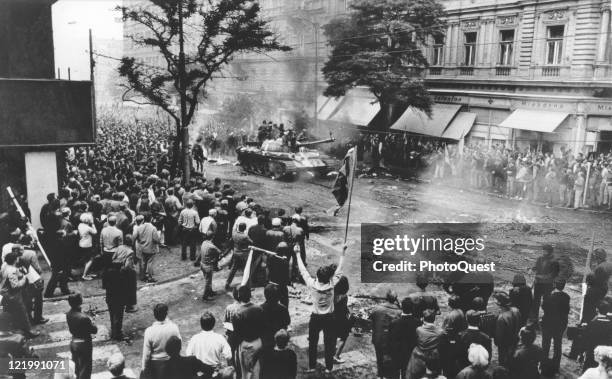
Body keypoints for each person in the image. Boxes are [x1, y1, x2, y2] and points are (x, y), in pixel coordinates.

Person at [296, 245, 346, 374]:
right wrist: (343, 252)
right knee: (329, 343)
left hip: (315, 317)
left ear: (318, 276)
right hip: (329, 318)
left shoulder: (312, 284)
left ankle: (312, 366)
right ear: (329, 278)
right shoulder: (332, 284)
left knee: (313, 343)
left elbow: (303, 270)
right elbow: (340, 269)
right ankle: (329, 367)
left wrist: (297, 254)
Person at [0, 251, 38, 338]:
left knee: (11, 312)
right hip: (12, 295)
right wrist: (24, 279)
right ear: (15, 260)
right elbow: (15, 286)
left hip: (4, 293)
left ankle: (15, 330)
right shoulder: (12, 270)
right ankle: (28, 332)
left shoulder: (4, 266)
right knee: (22, 312)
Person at [231, 285, 265, 379]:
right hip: (258, 342)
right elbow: (263, 327)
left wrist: (234, 348)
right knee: (257, 370)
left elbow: (237, 335)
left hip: (246, 344)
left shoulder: (237, 313)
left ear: (239, 297)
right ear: (250, 295)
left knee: (245, 373)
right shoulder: (259, 309)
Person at [141, 303, 181, 379]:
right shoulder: (174, 327)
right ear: (166, 314)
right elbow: (179, 346)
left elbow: (146, 355)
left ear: (154, 315)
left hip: (155, 365)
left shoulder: (149, 331)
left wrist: (144, 369)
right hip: (171, 362)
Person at [370, 290, 402, 379]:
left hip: (378, 338)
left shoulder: (377, 308)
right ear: (395, 299)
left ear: (386, 297)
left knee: (379, 357)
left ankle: (380, 375)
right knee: (391, 359)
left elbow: (371, 319)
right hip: (391, 340)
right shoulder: (399, 312)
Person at [66, 293, 98, 379]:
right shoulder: (84, 318)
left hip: (74, 342)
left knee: (76, 367)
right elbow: (94, 330)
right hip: (84, 344)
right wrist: (92, 319)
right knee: (85, 368)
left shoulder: (69, 314)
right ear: (80, 301)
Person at [389, 297, 422, 379]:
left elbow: (390, 340)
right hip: (410, 353)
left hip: (396, 352)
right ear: (412, 308)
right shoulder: (418, 323)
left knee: (395, 373)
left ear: (402, 307)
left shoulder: (394, 323)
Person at [541, 280, 570, 372]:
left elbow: (544, 307)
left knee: (545, 345)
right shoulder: (566, 297)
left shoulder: (548, 296)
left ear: (554, 285)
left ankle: (543, 364)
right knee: (558, 345)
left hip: (548, 323)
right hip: (560, 324)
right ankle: (556, 366)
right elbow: (567, 311)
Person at [406, 309, 444, 379]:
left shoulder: (419, 329)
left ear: (423, 319)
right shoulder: (440, 332)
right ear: (434, 319)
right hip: (433, 360)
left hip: (418, 358)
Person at [530, 244, 559, 323]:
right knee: (536, 301)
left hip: (548, 285)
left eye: (545, 250)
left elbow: (553, 274)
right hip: (538, 283)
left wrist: (542, 277)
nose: (543, 252)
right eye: (543, 250)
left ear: (549, 252)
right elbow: (536, 267)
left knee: (546, 302)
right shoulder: (540, 259)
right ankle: (534, 318)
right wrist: (533, 269)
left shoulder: (554, 261)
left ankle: (546, 318)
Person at [582, 297, 612, 370]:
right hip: (605, 355)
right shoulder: (610, 324)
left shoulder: (592, 324)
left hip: (592, 353)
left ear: (597, 310)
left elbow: (586, 339)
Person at [102, 260, 128, 341]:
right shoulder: (123, 273)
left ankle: (113, 331)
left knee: (112, 315)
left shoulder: (106, 273)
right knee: (119, 316)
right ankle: (118, 333)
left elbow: (104, 286)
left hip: (110, 297)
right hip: (120, 298)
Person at [494, 292, 520, 367]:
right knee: (512, 359)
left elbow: (499, 336)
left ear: (499, 304)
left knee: (503, 362)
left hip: (504, 345)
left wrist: (497, 343)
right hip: (515, 340)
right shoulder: (516, 310)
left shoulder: (501, 318)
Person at [260, 283, 290, 350]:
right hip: (280, 340)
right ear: (278, 297)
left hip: (266, 339)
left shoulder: (260, 309)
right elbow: (287, 322)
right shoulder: (283, 308)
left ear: (265, 295)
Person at [113, 235, 138, 313]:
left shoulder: (119, 248)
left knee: (122, 288)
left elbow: (113, 258)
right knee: (131, 289)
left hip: (118, 271)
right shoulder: (130, 251)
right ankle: (130, 306)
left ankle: (122, 304)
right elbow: (128, 265)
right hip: (128, 273)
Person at [133, 214, 160, 283]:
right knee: (150, 262)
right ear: (151, 219)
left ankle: (142, 276)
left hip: (142, 248)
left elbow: (134, 237)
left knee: (143, 262)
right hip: (151, 248)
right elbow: (156, 239)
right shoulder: (153, 228)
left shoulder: (139, 227)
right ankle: (150, 277)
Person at [225, 222, 252, 290]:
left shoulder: (234, 233)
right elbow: (251, 242)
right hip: (243, 254)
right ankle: (247, 286)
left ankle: (227, 283)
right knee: (246, 270)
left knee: (233, 269)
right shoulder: (245, 236)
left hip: (236, 252)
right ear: (245, 228)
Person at [333, 275, 353, 364]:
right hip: (341, 319)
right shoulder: (344, 297)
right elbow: (343, 309)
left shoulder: (331, 293)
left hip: (331, 318)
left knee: (333, 336)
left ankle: (332, 350)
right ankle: (336, 356)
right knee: (343, 338)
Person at [77, 213, 97, 281]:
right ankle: (84, 275)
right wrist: (93, 224)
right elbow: (95, 232)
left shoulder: (80, 225)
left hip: (82, 243)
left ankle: (87, 272)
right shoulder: (88, 228)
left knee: (86, 259)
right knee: (91, 259)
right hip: (87, 245)